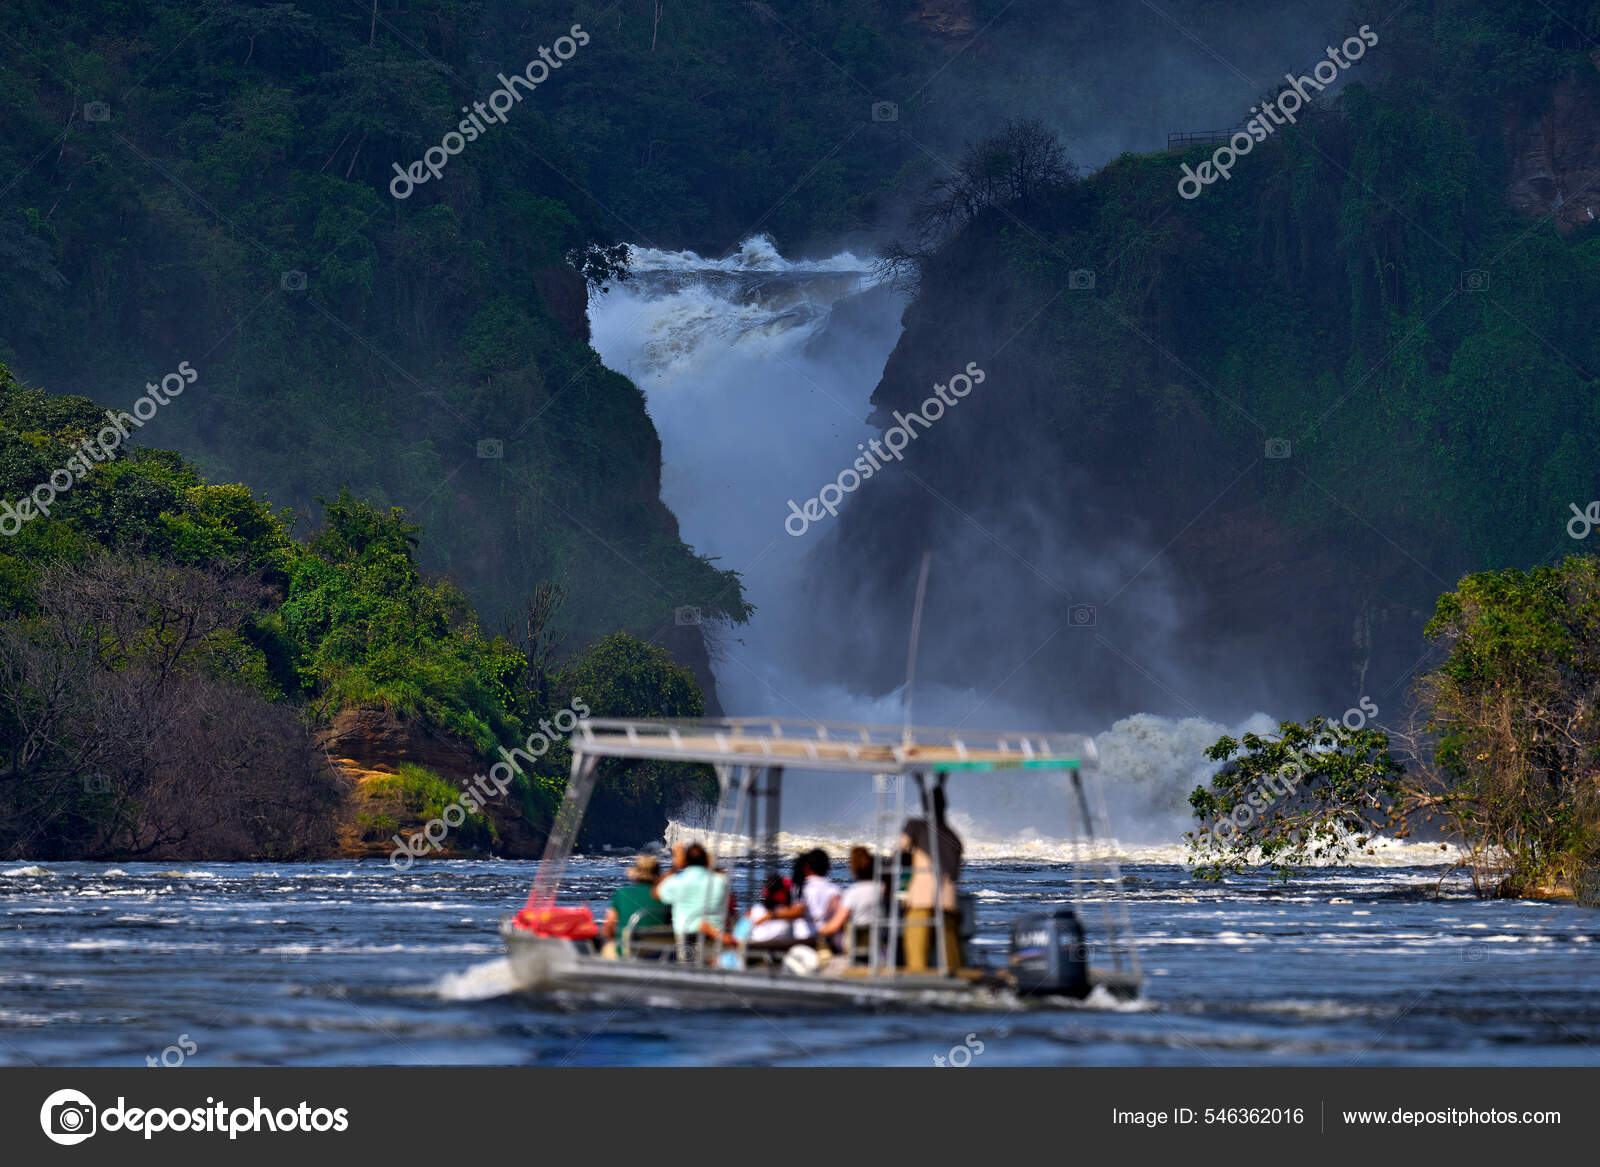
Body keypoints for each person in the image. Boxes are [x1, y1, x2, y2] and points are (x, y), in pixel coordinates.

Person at [899, 795, 964, 974]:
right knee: (952, 962)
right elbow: (956, 872)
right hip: (948, 903)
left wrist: (901, 889)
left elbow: (900, 853)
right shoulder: (954, 836)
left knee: (916, 961)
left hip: (921, 901)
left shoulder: (915, 826)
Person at [653, 841, 731, 953]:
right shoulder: (721, 881)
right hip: (716, 944)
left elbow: (656, 892)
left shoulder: (677, 882)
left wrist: (675, 866)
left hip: (686, 945)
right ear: (705, 860)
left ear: (686, 861)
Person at [600, 853, 670, 958]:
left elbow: (608, 928)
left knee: (607, 948)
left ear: (636, 873)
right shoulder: (665, 896)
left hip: (628, 952)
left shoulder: (622, 893)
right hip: (659, 954)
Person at [796, 848, 850, 952]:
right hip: (825, 940)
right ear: (827, 868)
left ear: (806, 867)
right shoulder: (835, 890)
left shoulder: (799, 888)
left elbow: (796, 911)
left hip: (801, 940)